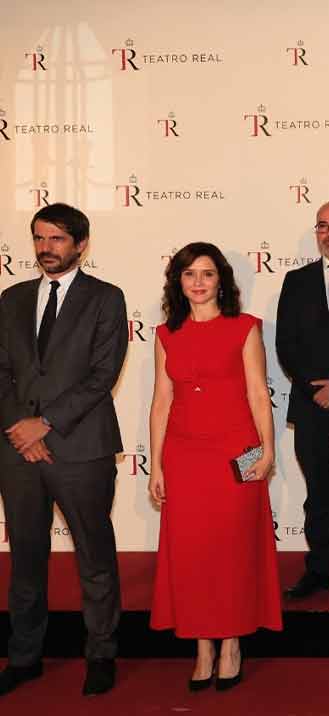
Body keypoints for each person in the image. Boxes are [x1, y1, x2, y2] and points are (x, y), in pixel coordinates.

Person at [0, 203, 127, 697]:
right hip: (17, 450)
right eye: (38, 238)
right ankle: (25, 656)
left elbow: (102, 375)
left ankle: (101, 653)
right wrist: (20, 428)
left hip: (81, 447)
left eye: (56, 239)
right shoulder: (11, 299)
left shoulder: (106, 298)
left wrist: (44, 424)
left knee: (94, 556)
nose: (45, 248)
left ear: (80, 244)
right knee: (27, 557)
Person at [148, 242, 281, 692]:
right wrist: (156, 466)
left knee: (231, 551)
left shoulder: (244, 328)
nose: (199, 282)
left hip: (236, 453)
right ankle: (201, 645)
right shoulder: (166, 334)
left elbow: (259, 394)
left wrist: (267, 451)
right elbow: (161, 400)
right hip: (184, 456)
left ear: (220, 280)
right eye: (189, 274)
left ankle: (231, 643)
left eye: (207, 273)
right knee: (192, 556)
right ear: (178, 282)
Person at [276, 200, 329, 599]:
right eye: (323, 226)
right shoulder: (296, 281)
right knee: (320, 494)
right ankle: (320, 570)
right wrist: (316, 388)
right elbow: (286, 345)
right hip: (312, 407)